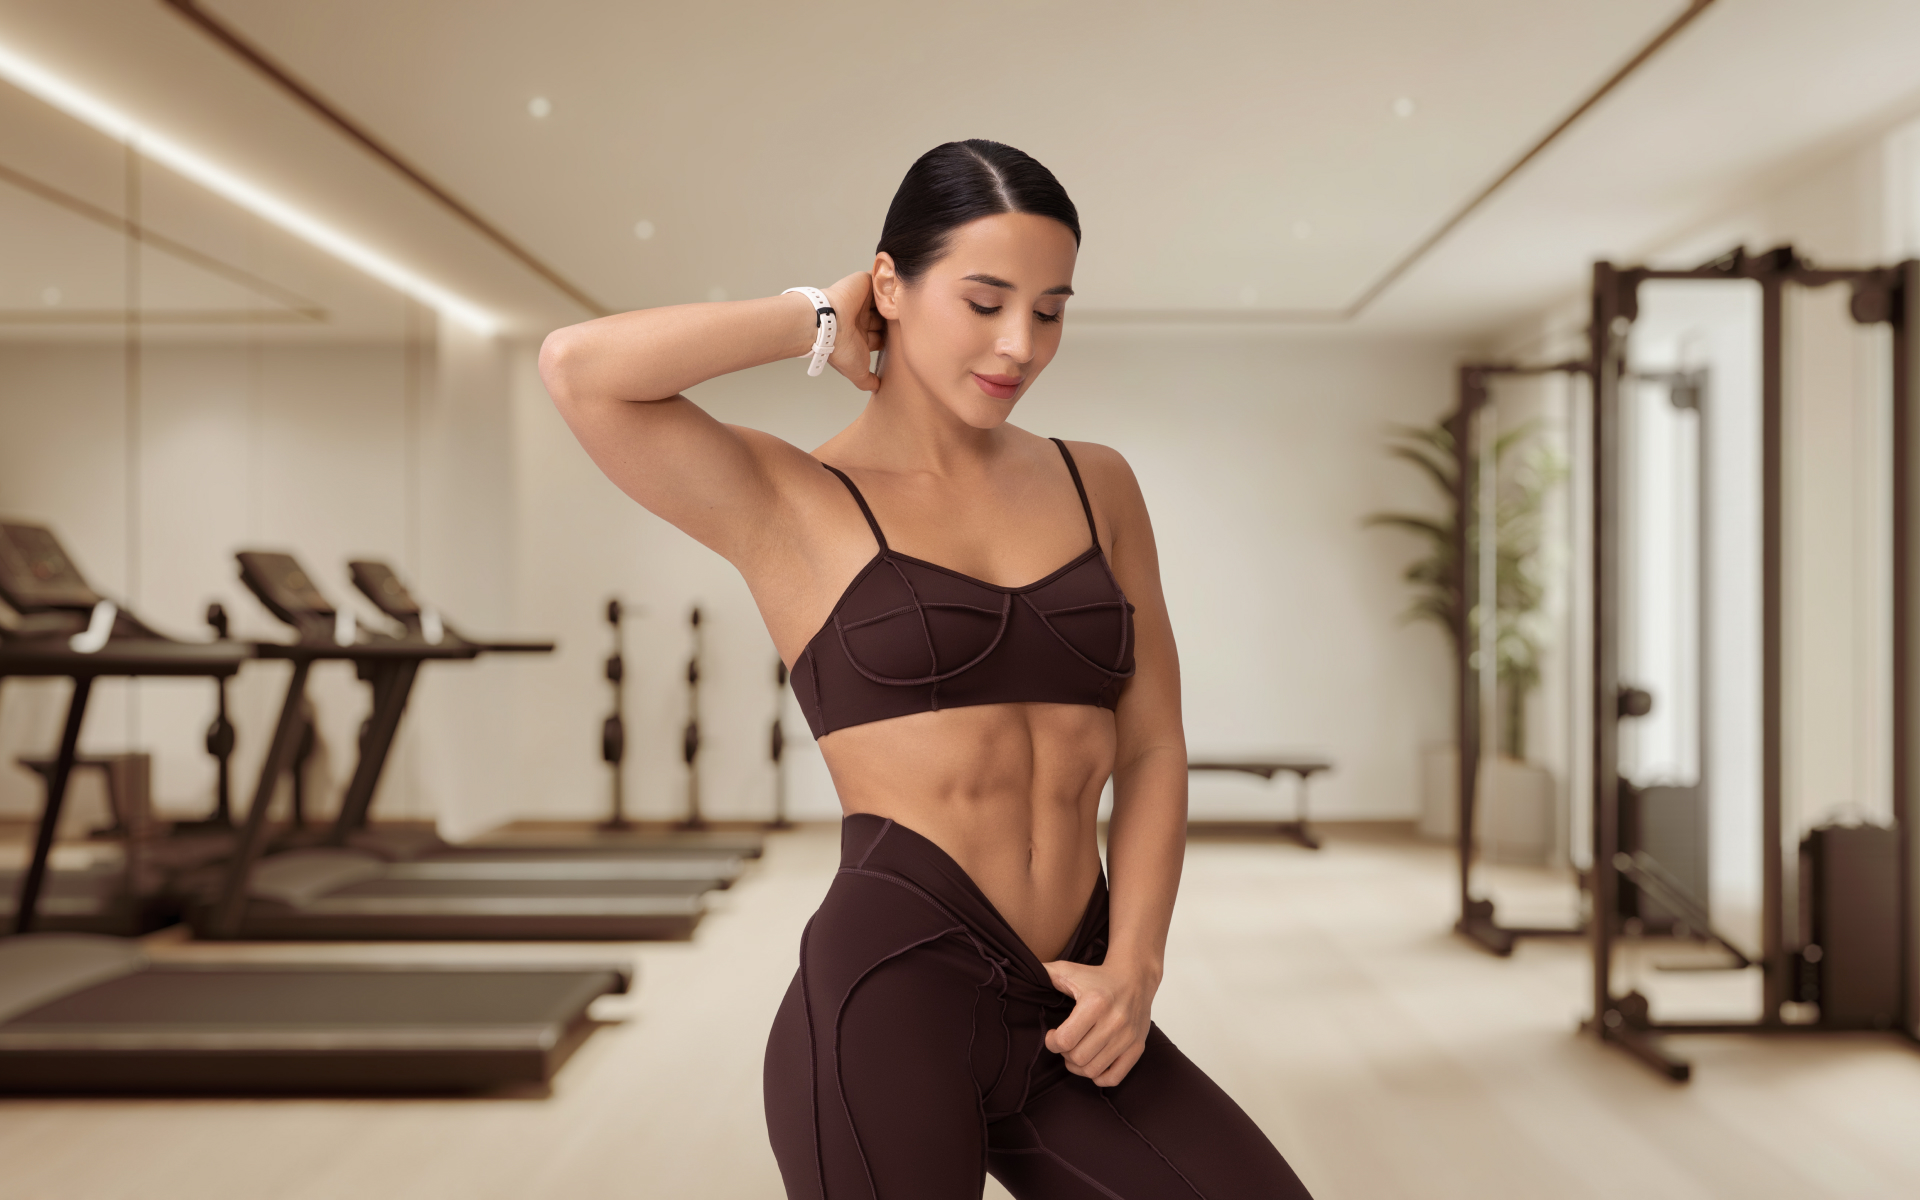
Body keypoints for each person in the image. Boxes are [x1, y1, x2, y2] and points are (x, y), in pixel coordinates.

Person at [542, 139, 1311, 1200]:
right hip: (888, 1001)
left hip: (1073, 1003)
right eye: (984, 300)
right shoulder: (793, 501)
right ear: (892, 286)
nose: (1019, 343)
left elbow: (1151, 742)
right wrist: (818, 314)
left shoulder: (1101, 485)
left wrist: (1136, 964)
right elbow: (580, 371)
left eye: (1050, 309)